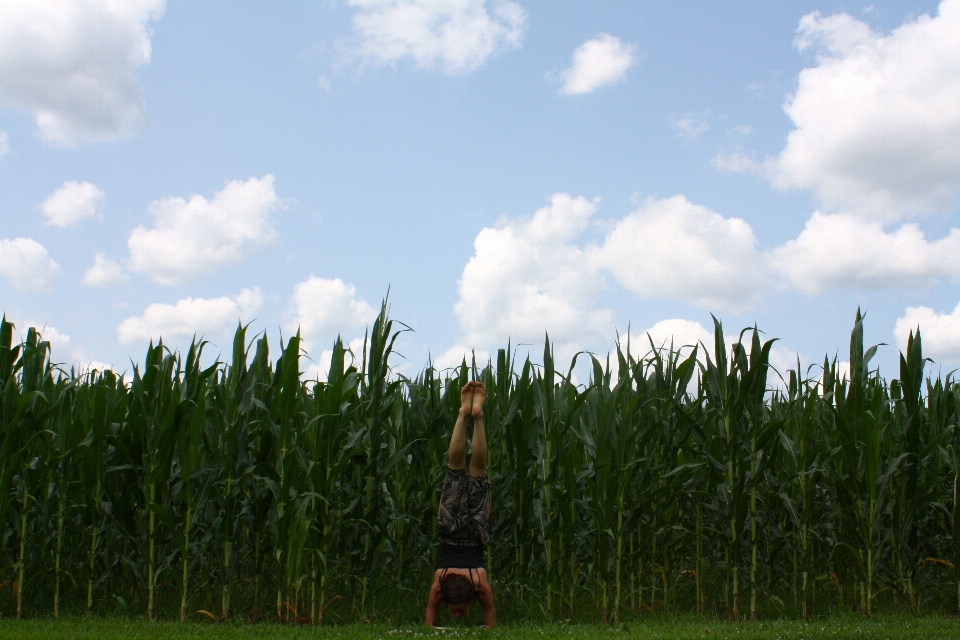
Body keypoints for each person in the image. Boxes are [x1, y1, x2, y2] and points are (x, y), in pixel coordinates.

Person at [424, 381, 496, 628]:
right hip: (454, 529)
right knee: (459, 469)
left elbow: (428, 626)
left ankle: (469, 415)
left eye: (456, 611)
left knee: (471, 470)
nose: (457, 614)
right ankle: (471, 416)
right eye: (459, 611)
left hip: (476, 532)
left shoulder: (479, 583)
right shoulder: (446, 581)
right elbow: (491, 624)